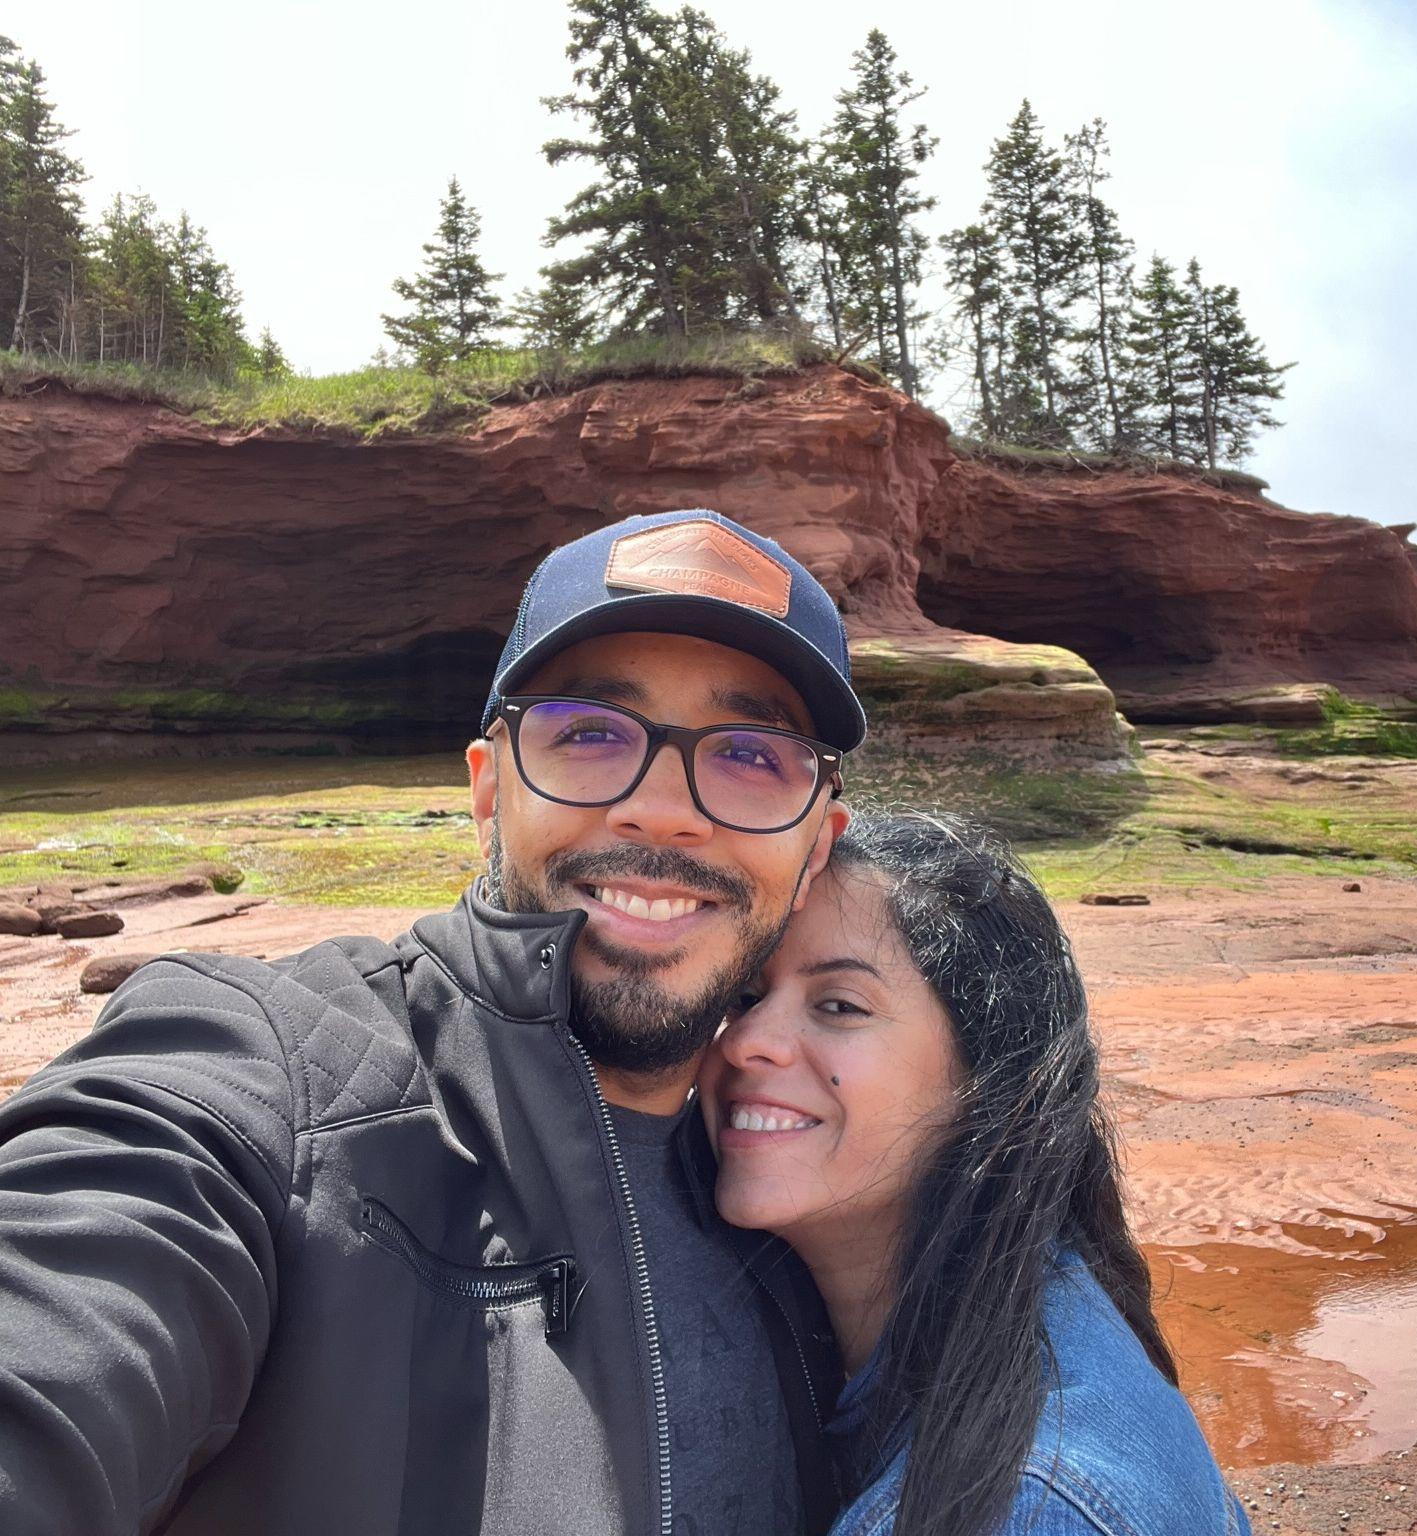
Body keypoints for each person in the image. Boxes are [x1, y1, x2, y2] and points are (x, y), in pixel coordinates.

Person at [0, 508, 862, 1535]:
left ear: (818, 846)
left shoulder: (810, 1174)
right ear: (489, 791)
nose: (665, 810)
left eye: (753, 755)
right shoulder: (272, 1075)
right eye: (591, 733)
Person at [700, 810, 1252, 1536]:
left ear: (985, 1080)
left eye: (839, 1005)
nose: (746, 1040)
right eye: (743, 997)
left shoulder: (1030, 1508)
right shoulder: (1029, 1303)